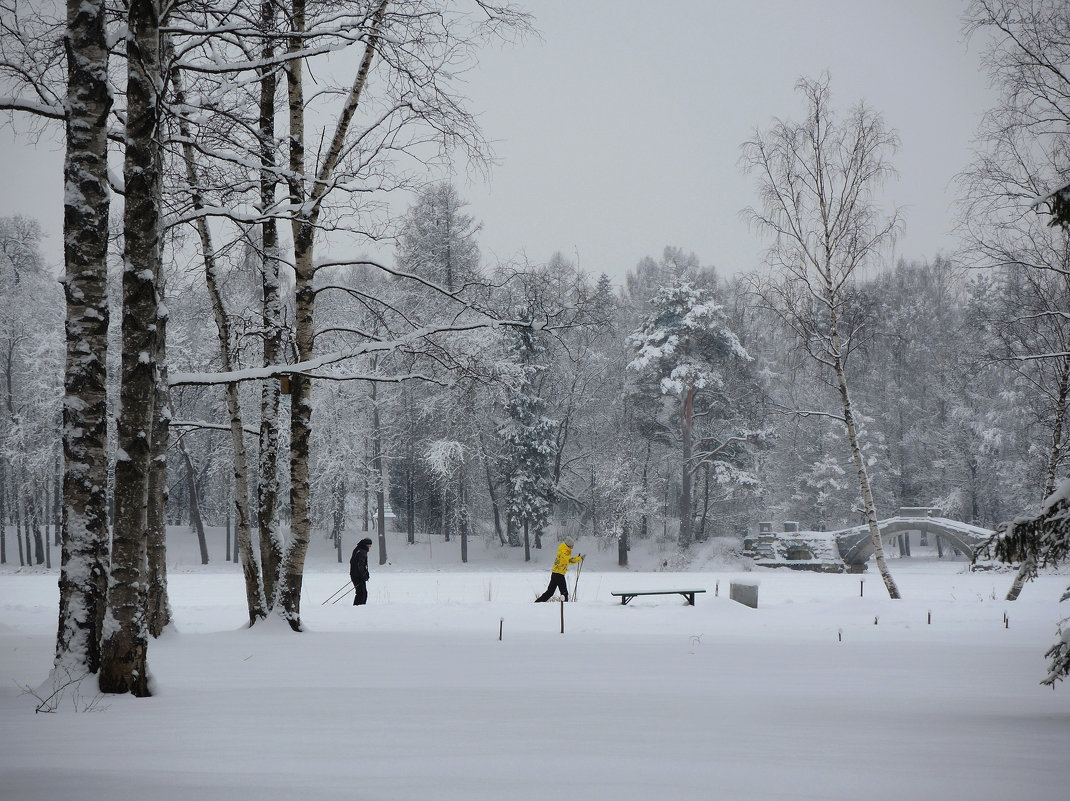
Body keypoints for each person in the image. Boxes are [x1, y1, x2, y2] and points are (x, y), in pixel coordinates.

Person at [535, 536, 583, 602]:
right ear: (569, 545)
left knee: (550, 592)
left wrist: (578, 559)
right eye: (572, 545)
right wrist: (580, 559)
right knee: (564, 593)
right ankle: (565, 607)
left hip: (555, 573)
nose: (573, 547)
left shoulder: (563, 550)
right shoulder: (564, 551)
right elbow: (569, 561)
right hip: (559, 574)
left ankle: (537, 603)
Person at [349, 537, 372, 605]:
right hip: (357, 575)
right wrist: (363, 575)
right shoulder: (362, 551)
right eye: (369, 545)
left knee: (361, 592)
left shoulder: (358, 549)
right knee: (362, 593)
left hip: (354, 574)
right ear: (365, 545)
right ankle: (359, 608)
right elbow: (360, 565)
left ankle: (358, 607)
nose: (370, 546)